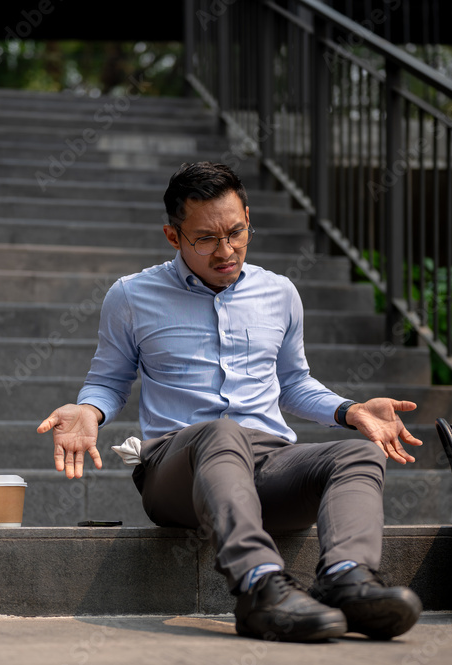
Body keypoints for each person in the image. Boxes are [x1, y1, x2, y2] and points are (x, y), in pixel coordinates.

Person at [38, 161, 424, 642]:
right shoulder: (131, 296)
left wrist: (349, 410)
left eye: (237, 233)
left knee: (358, 453)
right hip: (177, 469)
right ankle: (260, 587)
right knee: (221, 432)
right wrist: (88, 410)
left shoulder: (280, 292)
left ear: (247, 218)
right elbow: (109, 380)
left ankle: (347, 579)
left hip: (270, 464)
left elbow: (293, 383)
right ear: (173, 236)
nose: (226, 251)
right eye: (205, 239)